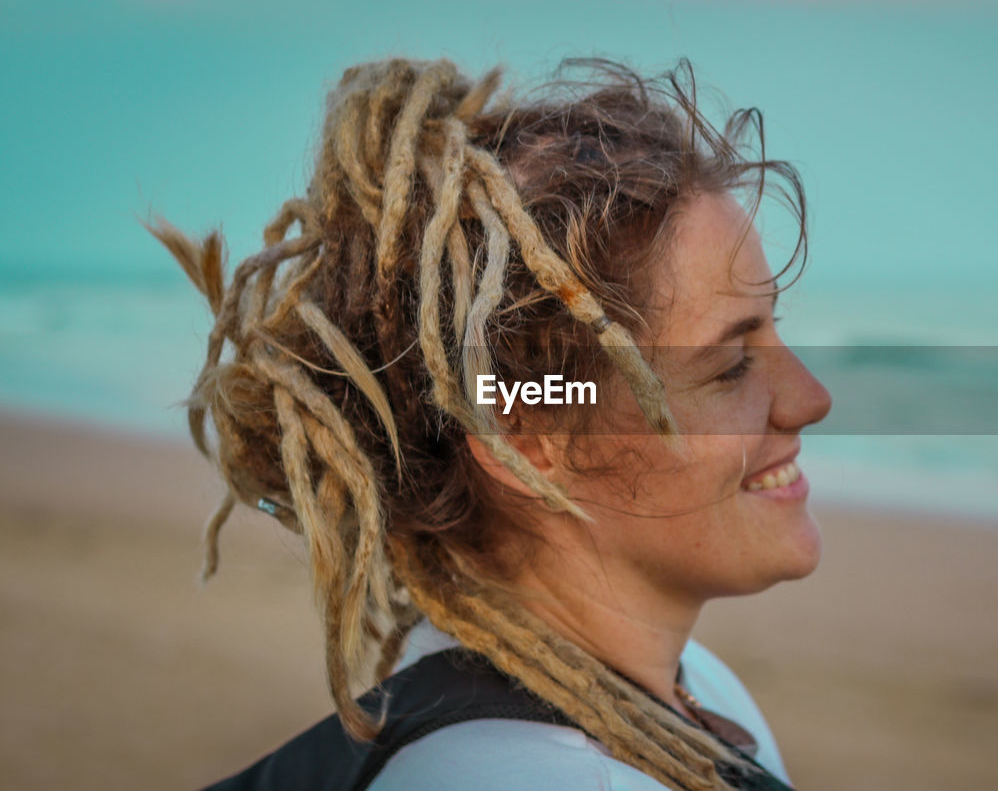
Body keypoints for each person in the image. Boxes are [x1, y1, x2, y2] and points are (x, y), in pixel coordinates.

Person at [149, 55, 831, 791]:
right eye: (730, 365)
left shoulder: (697, 690)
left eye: (774, 335)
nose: (810, 398)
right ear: (528, 441)